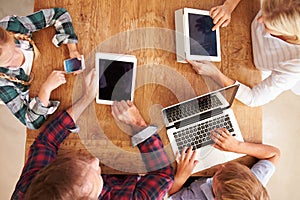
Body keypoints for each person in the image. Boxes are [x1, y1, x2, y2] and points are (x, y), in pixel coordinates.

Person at [11, 69, 174, 200]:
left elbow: (45, 143)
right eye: (95, 174)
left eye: (81, 162)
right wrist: (138, 125)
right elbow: (163, 175)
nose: (96, 161)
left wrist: (85, 99)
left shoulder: (31, 191)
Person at [187, 0, 300, 107]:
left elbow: (254, 98)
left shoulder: (295, 66)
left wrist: (215, 74)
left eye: (267, 24)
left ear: (290, 34)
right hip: (245, 21)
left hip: (255, 66)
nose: (260, 20)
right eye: (264, 11)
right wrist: (228, 6)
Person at [0, 8, 81, 129]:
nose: (16, 59)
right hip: (34, 89)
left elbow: (60, 14)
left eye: (14, 50)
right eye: (8, 62)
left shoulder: (11, 25)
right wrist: (45, 89)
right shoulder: (2, 84)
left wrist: (72, 49)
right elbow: (31, 122)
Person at [168, 128, 280, 199]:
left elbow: (168, 197)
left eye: (218, 173)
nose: (221, 166)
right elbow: (274, 154)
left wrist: (180, 177)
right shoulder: (253, 187)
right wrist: (237, 146)